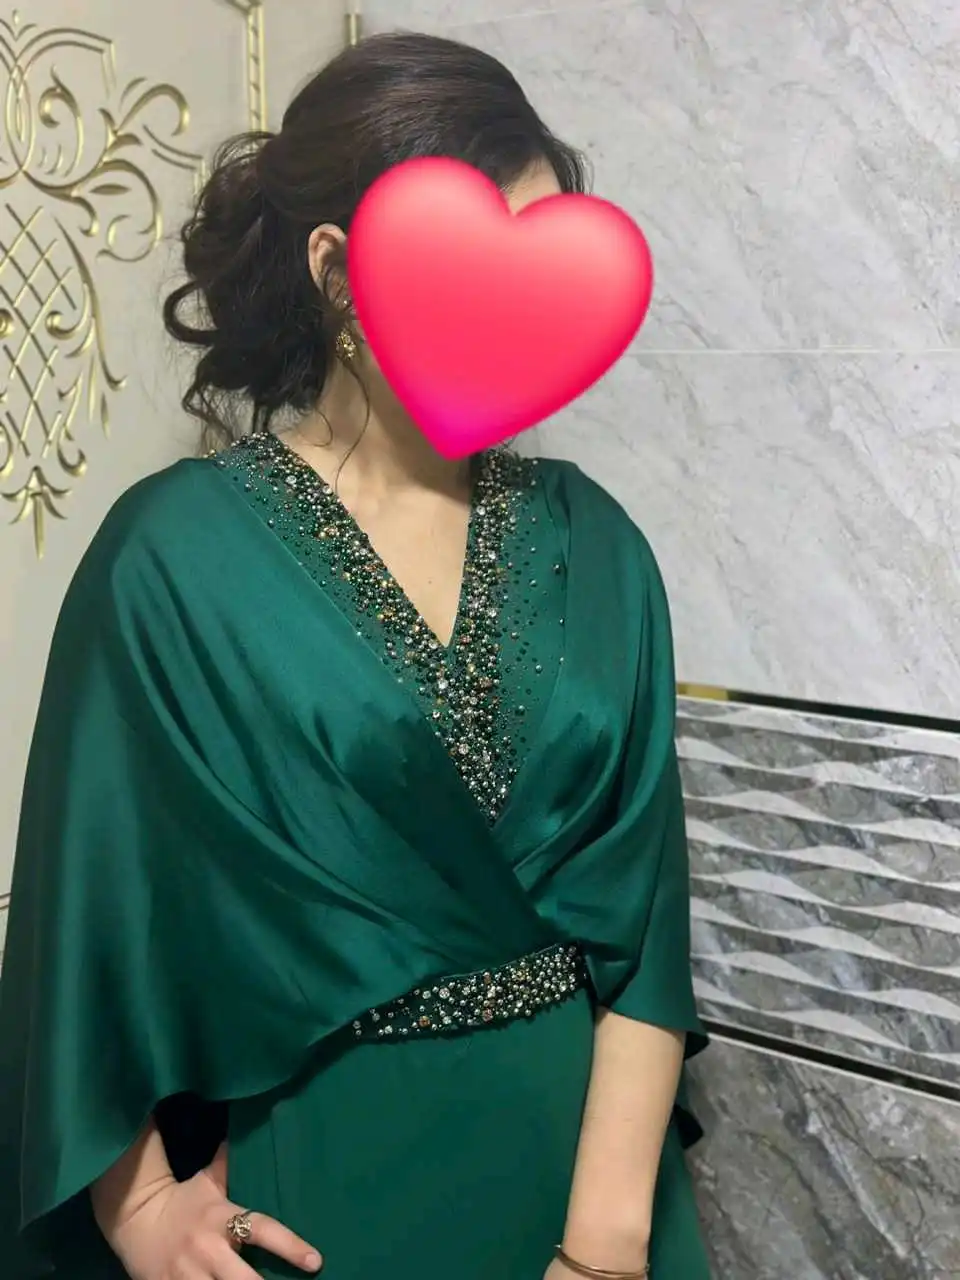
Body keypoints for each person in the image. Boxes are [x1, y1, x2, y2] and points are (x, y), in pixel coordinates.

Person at [0, 30, 711, 1280]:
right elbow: (86, 916)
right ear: (336, 269)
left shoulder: (598, 544)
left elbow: (647, 927)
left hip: (594, 1190)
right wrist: (139, 1202)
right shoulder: (173, 558)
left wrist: (604, 1245)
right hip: (327, 1187)